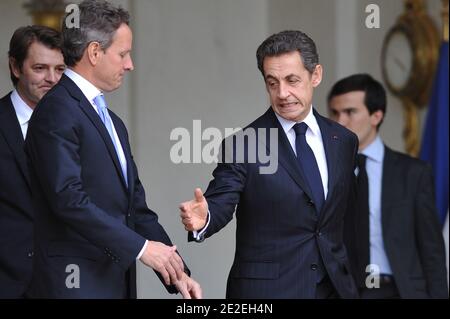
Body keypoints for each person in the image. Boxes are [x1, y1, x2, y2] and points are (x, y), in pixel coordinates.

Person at [24, 0, 201, 299]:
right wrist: (142, 248)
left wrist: (177, 272)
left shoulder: (113, 122)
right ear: (94, 52)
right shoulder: (56, 110)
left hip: (113, 282)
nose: (130, 64)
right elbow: (68, 200)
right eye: (123, 54)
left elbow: (136, 209)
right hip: (73, 286)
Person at [179, 30, 359, 299]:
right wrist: (205, 218)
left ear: (316, 75)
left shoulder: (343, 140)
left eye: (292, 80)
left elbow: (343, 218)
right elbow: (222, 200)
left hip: (335, 289)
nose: (282, 93)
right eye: (272, 82)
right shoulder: (245, 144)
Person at [327, 73, 448, 299]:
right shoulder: (321, 171)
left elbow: (431, 251)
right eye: (334, 112)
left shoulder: (413, 173)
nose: (339, 122)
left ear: (376, 116)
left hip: (397, 290)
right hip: (340, 291)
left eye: (350, 112)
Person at [0, 25, 65, 298]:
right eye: (40, 68)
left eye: (60, 69)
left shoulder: (82, 128)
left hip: (66, 284)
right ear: (15, 67)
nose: (51, 78)